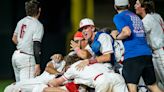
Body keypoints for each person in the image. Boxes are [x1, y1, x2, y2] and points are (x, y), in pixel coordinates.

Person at [111, 0, 162, 92]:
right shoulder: (135, 16)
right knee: (153, 86)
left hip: (133, 55)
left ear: (115, 7)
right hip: (146, 54)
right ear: (129, 5)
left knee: (132, 88)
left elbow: (127, 32)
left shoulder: (118, 16)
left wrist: (116, 37)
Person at [44, 59, 128, 92]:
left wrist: (50, 82)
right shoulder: (90, 63)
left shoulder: (72, 68)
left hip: (101, 80)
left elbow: (57, 82)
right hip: (116, 77)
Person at [11, 0, 44, 82]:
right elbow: (36, 45)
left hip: (16, 56)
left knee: (19, 87)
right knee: (27, 87)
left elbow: (14, 39)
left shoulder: (21, 21)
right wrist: (37, 64)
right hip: (26, 58)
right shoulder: (38, 25)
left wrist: (22, 45)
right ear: (39, 10)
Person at [134, 0, 164, 89]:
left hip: (160, 52)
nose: (135, 6)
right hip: (158, 50)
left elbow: (137, 35)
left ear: (144, 7)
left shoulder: (147, 20)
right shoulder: (156, 15)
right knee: (159, 84)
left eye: (137, 4)